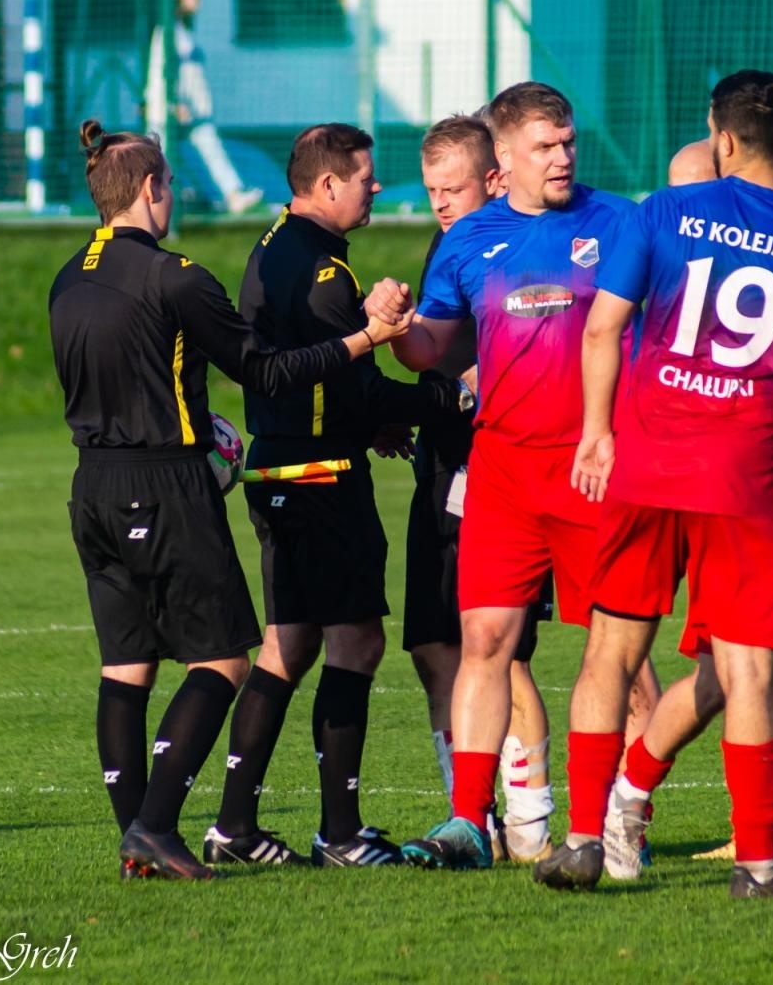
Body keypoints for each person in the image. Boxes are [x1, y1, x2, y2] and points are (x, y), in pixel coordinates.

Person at [532, 69, 773, 897]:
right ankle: (759, 863)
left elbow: (604, 327)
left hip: (647, 464)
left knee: (613, 651)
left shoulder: (660, 213)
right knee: (750, 670)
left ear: (719, 137)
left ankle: (581, 839)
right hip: (747, 475)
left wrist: (599, 432)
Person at [49, 120, 402, 879]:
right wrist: (365, 338)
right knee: (222, 661)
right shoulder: (175, 275)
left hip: (91, 486)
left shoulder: (67, 276)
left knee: (126, 668)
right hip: (164, 485)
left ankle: (139, 841)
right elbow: (264, 372)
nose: (171, 197)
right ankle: (154, 826)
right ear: (152, 189)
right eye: (169, 185)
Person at [363, 81, 635, 872]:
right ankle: (467, 826)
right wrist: (394, 325)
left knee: (616, 653)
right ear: (506, 156)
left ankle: (605, 822)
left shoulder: (618, 222)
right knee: (483, 638)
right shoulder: (469, 238)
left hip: (593, 468)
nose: (562, 156)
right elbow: (431, 348)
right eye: (545, 146)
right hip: (503, 475)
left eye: (568, 141)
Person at [203, 123, 462, 869]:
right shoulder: (325, 274)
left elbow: (332, 385)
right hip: (321, 479)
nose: (375, 187)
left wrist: (374, 414)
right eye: (364, 177)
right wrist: (454, 401)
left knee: (290, 647)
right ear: (327, 186)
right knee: (357, 641)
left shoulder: (271, 244)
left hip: (281, 470)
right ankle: (341, 833)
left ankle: (234, 826)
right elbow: (354, 380)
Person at [402, 112, 558, 861]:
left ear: (494, 177)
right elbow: (431, 350)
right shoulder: (454, 244)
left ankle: (536, 819)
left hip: (516, 467)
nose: (439, 202)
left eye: (452, 187)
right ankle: (472, 815)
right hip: (445, 468)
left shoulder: (535, 241)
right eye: (430, 189)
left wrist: (477, 379)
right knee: (438, 645)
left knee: (509, 650)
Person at [146, 0, 264, 215]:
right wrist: (172, 104)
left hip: (192, 112)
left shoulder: (182, 31)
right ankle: (143, 206)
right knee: (157, 160)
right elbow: (161, 72)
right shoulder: (167, 32)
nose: (198, 0)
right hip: (169, 111)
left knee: (209, 145)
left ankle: (233, 195)